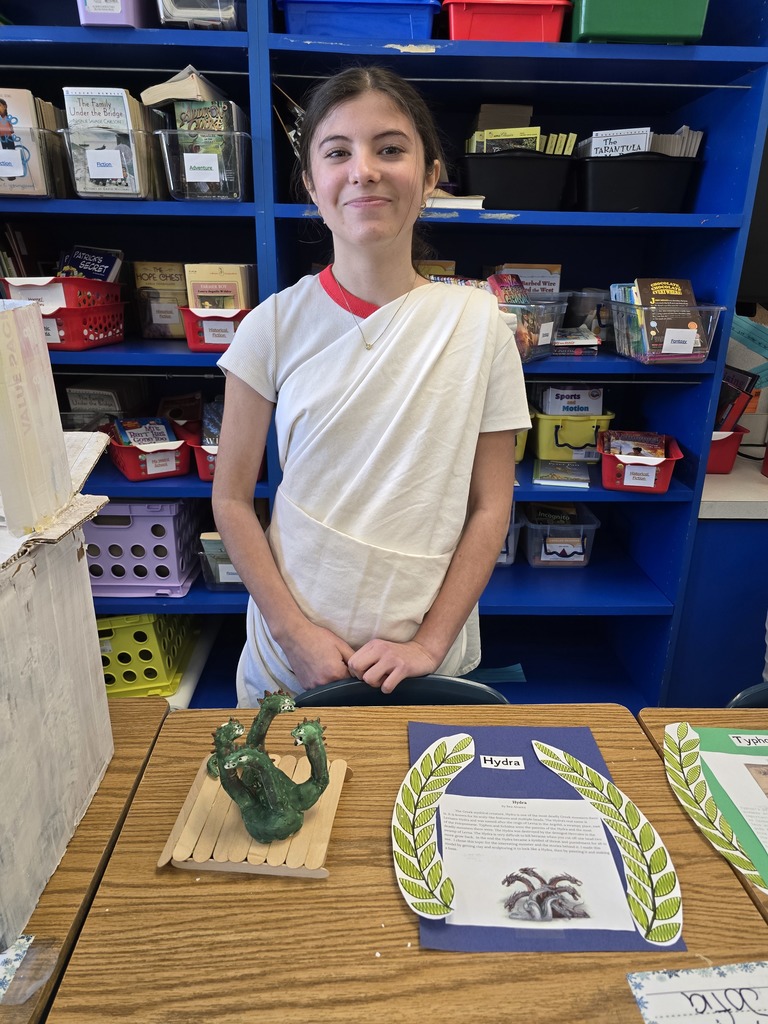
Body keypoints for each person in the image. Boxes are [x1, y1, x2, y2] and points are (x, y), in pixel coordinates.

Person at [212, 65, 531, 706]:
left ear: (431, 175)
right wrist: (294, 632)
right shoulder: (270, 326)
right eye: (338, 152)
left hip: (427, 663)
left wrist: (429, 644)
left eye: (390, 148)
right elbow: (232, 501)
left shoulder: (478, 325)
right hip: (293, 662)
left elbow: (491, 506)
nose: (364, 170)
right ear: (310, 182)